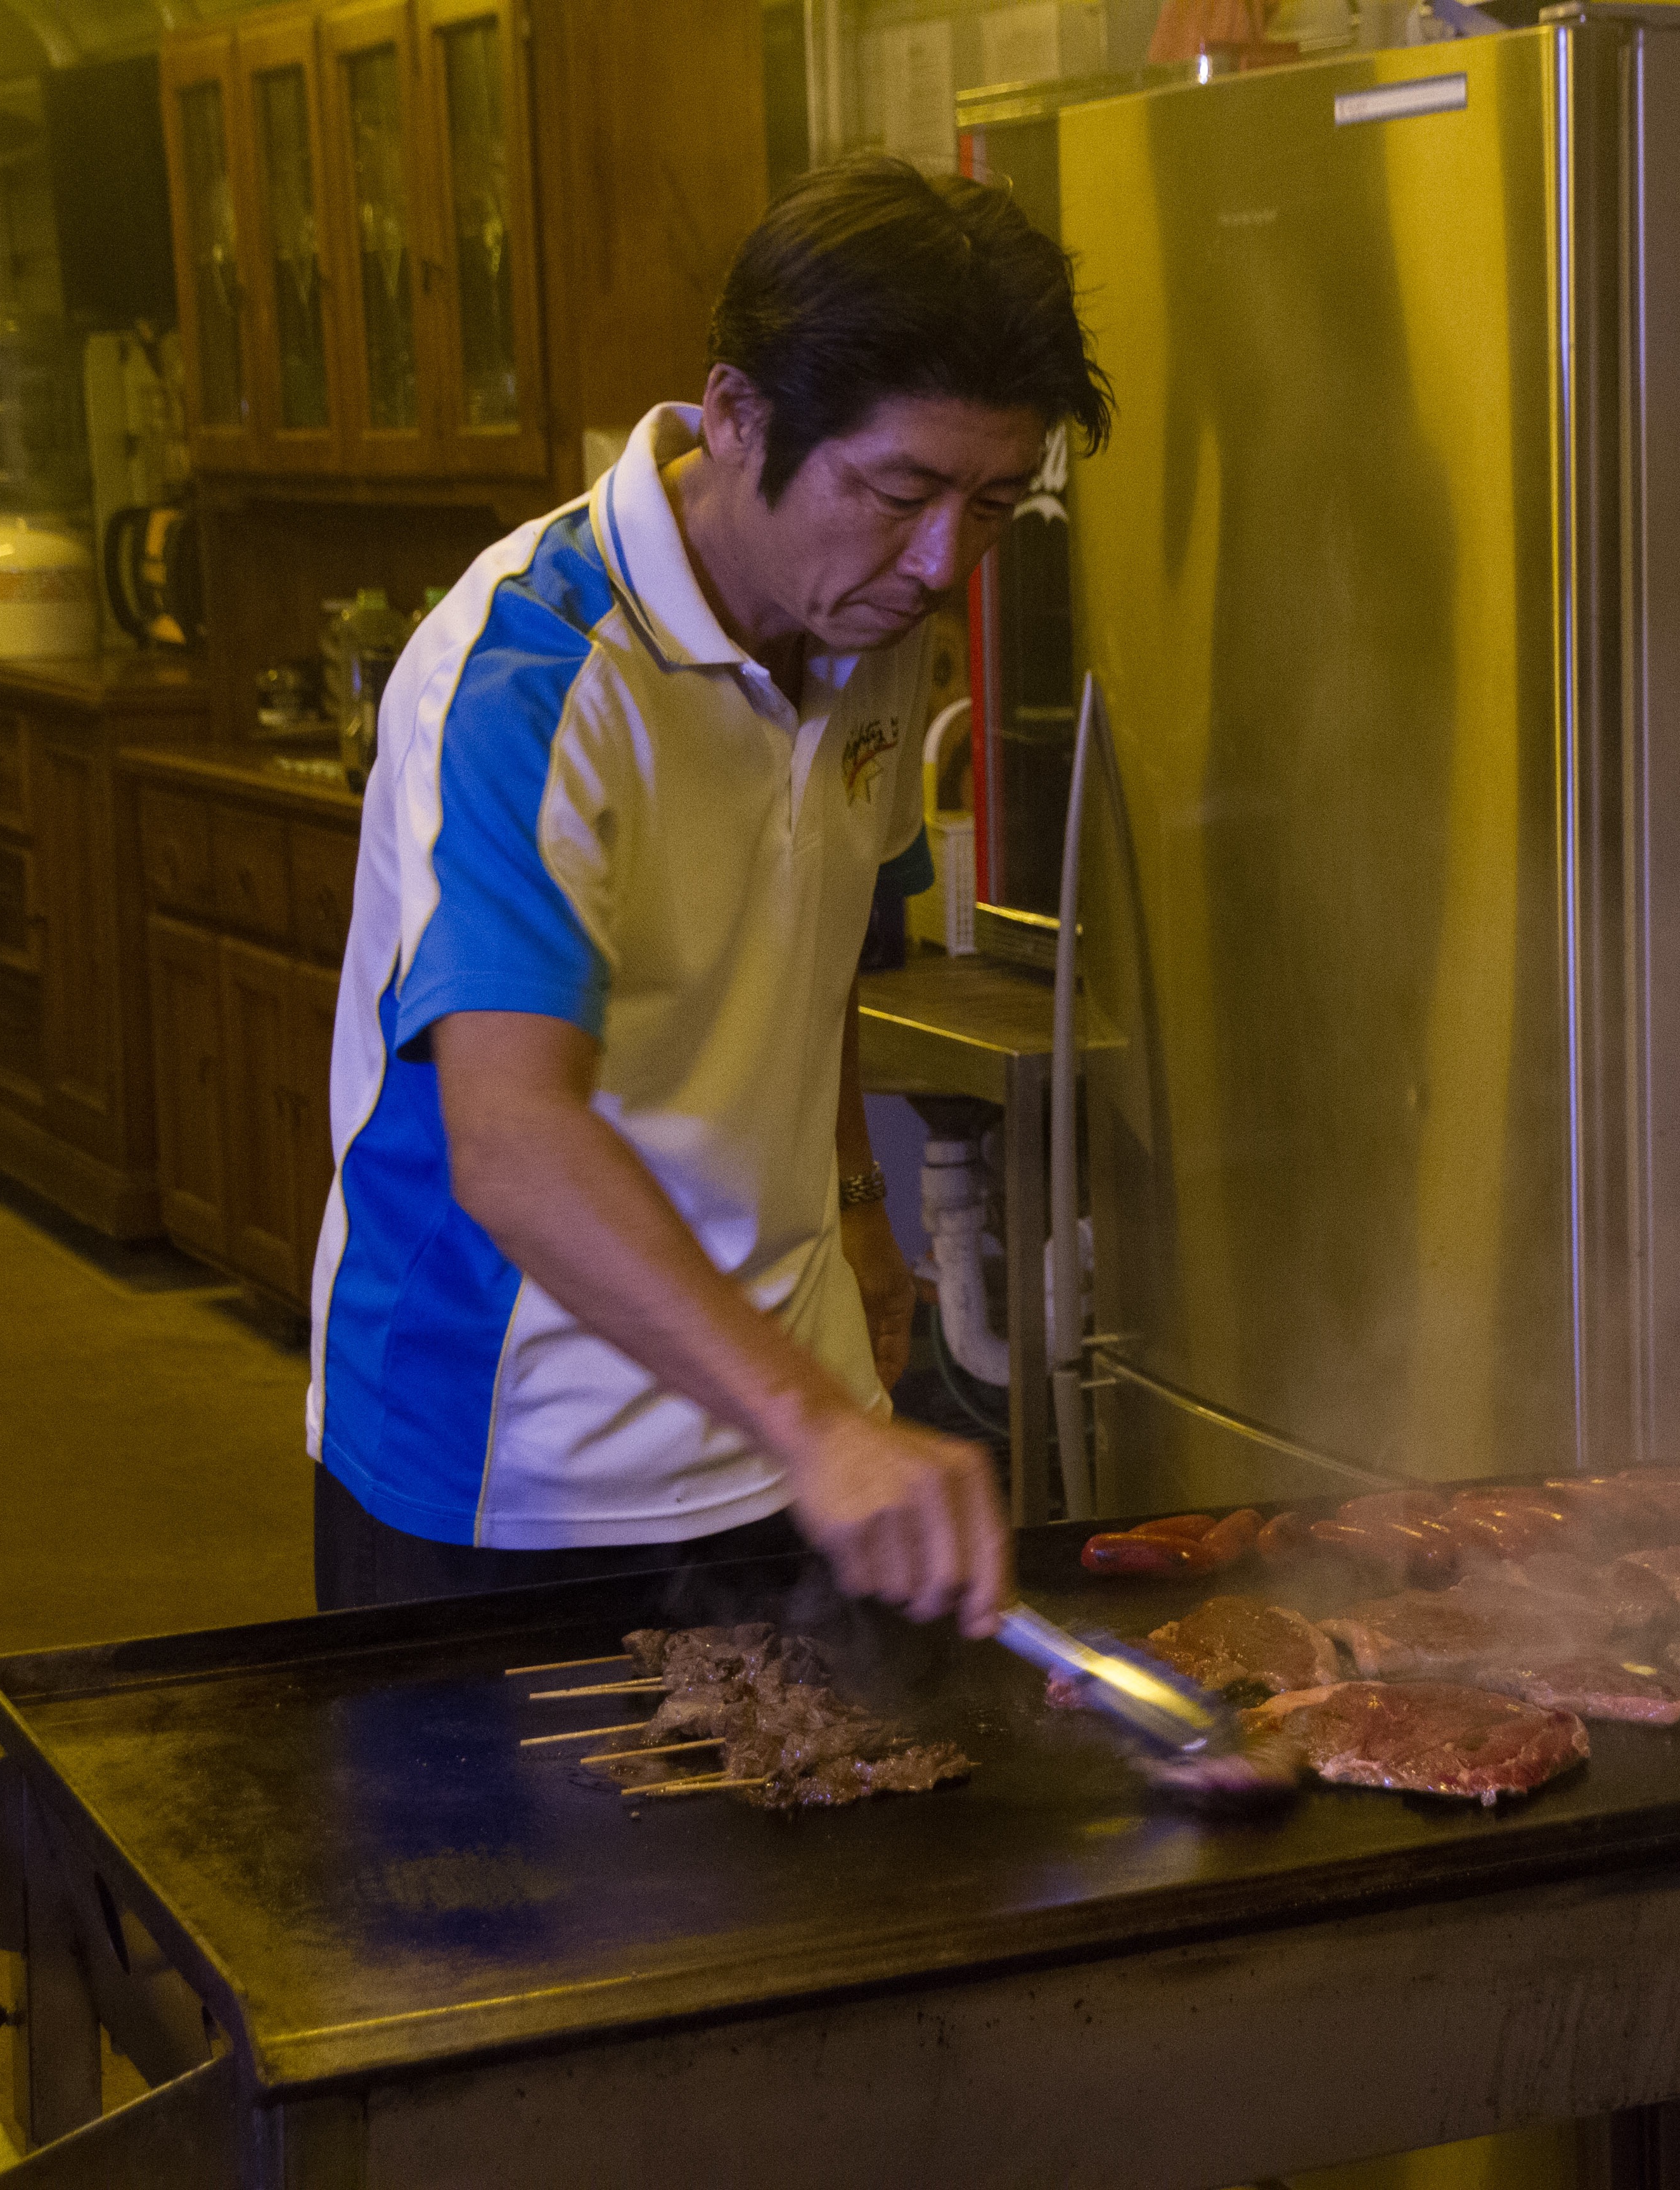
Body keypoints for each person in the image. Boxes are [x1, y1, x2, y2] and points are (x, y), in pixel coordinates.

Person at [307, 158, 1111, 1636]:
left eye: (995, 505)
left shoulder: (868, 621)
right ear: (738, 416)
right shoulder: (530, 675)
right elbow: (511, 1135)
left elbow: (813, 957)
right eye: (901, 491)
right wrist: (821, 1423)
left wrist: (859, 1213)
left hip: (795, 1431)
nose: (944, 563)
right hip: (520, 1461)